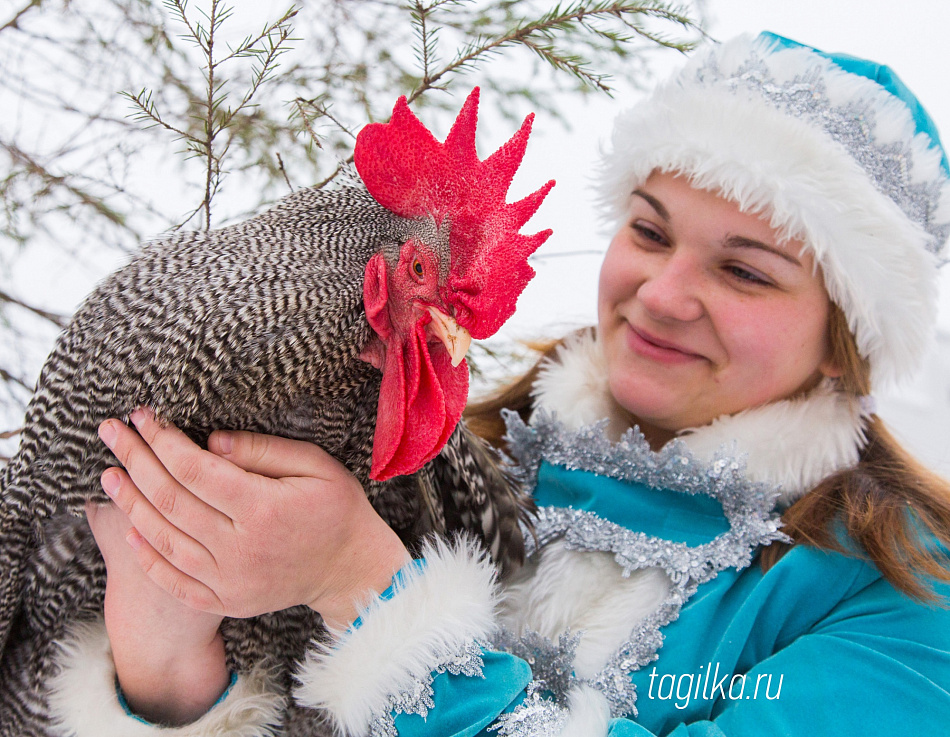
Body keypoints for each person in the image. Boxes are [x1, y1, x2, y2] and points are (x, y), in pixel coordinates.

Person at [48, 32, 950, 736]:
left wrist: (366, 589)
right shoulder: (444, 452)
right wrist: (164, 656)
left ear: (845, 341)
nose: (664, 294)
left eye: (745, 272)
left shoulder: (901, 597)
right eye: (648, 230)